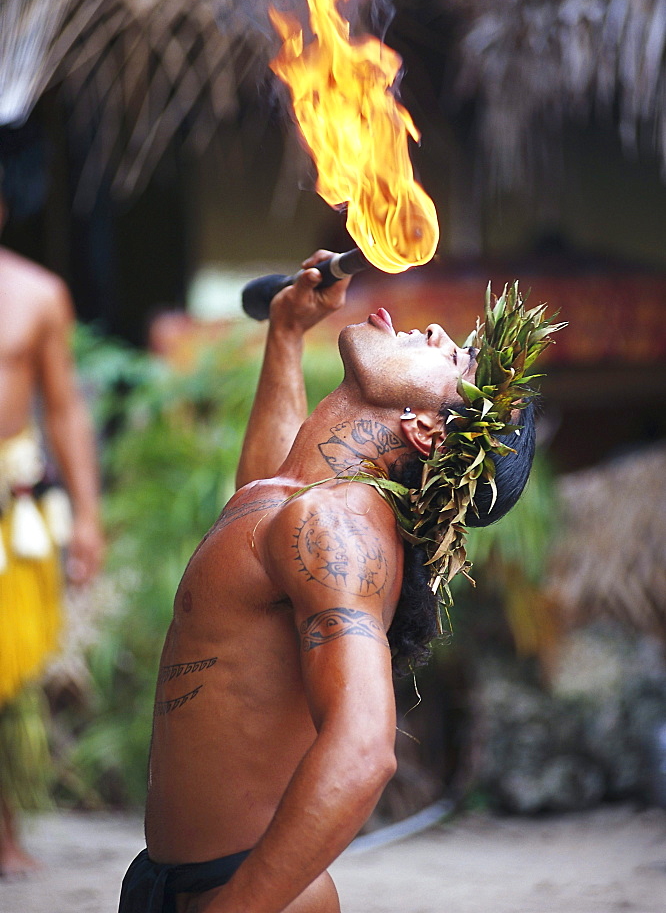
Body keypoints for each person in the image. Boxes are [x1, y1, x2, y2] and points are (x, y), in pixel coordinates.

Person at [119, 251, 540, 913]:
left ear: (426, 430)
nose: (434, 333)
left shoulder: (337, 523)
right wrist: (286, 334)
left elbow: (366, 748)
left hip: (247, 895)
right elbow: (254, 514)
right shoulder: (295, 505)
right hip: (176, 884)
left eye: (453, 359)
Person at [0, 190, 104, 876]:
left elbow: (64, 408)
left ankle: (4, 832)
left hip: (12, 507)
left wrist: (88, 518)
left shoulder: (38, 294)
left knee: (9, 676)